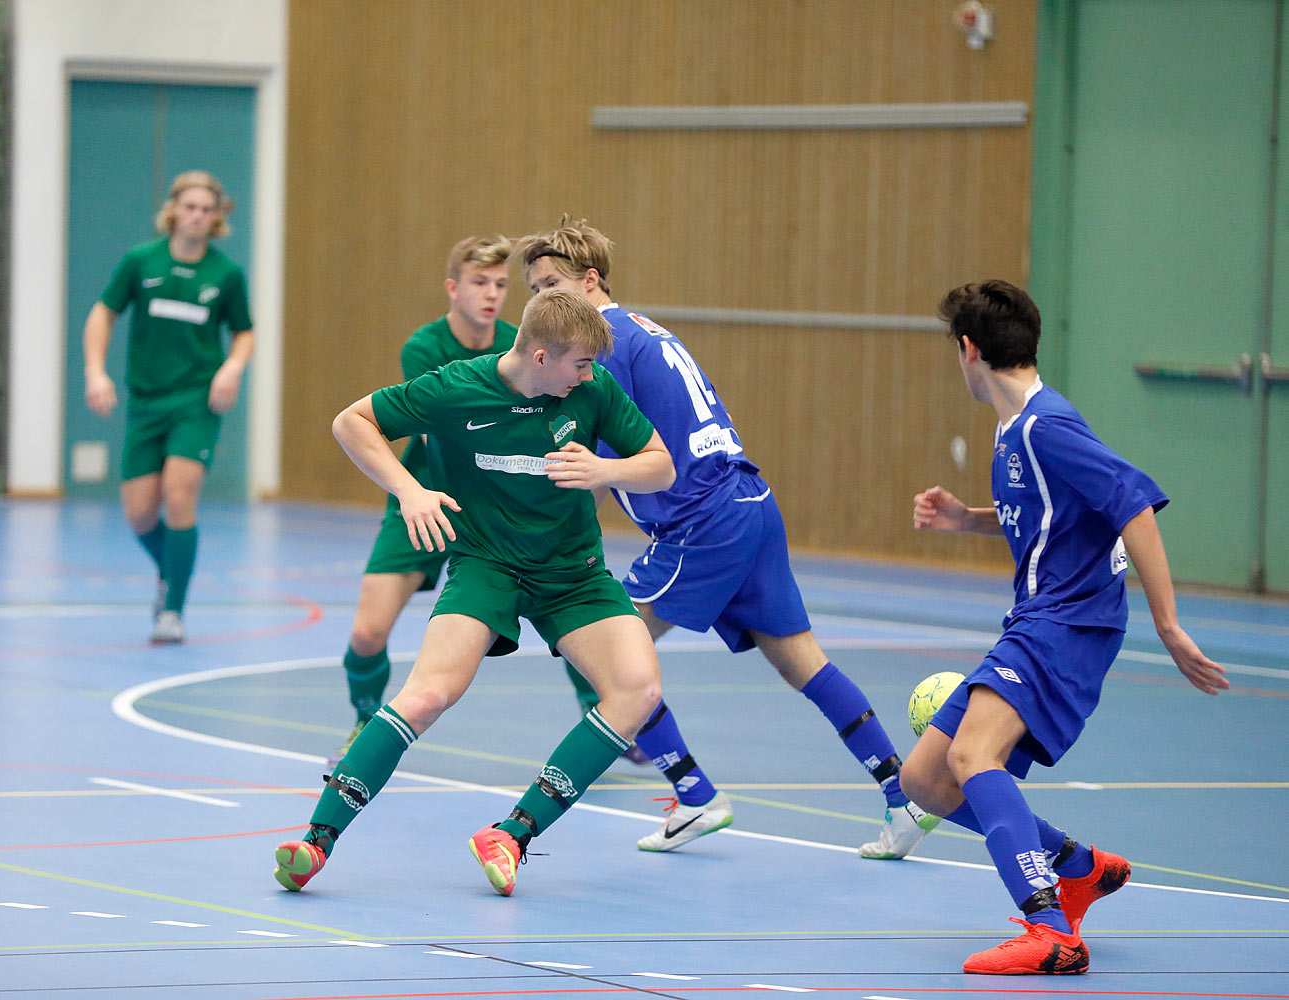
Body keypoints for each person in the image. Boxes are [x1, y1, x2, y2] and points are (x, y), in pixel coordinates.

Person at [514, 218, 934, 858]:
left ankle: (695, 795)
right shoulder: (646, 331)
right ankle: (903, 800)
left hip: (701, 520)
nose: (543, 300)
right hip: (748, 502)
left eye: (553, 284)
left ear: (590, 281)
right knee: (803, 663)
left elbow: (600, 469)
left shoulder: (601, 350)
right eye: (534, 289)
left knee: (606, 650)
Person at [273, 287, 675, 897]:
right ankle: (316, 840)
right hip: (487, 563)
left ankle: (512, 834)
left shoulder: (592, 392)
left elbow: (661, 463)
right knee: (430, 693)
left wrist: (609, 469)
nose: (589, 374)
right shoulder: (457, 388)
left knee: (638, 689)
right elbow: (351, 421)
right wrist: (410, 489)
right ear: (541, 357)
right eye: (580, 363)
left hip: (573, 570)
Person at [900, 280, 1229, 975]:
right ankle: (1075, 867)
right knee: (925, 779)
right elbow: (1050, 518)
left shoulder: (1047, 426)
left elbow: (1131, 503)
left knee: (972, 758)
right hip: (1039, 617)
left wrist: (1168, 626)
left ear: (969, 350)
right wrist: (968, 519)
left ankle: (1050, 927)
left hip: (1067, 621)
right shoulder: (1013, 427)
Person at [326, 235, 519, 768]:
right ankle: (366, 719)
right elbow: (440, 431)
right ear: (453, 288)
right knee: (367, 632)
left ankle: (610, 716)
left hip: (494, 510)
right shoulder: (425, 347)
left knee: (562, 611)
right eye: (480, 283)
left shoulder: (519, 344)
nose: (492, 294)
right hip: (420, 500)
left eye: (502, 284)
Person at [82, 170, 254, 644]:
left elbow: (244, 331)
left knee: (179, 496)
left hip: (196, 403)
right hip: (146, 402)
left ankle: (171, 610)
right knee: (139, 514)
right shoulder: (141, 261)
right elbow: (103, 313)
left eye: (207, 209)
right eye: (190, 207)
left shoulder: (226, 274)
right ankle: (172, 571)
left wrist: (232, 367)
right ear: (174, 210)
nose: (197, 216)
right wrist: (95, 372)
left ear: (217, 217)